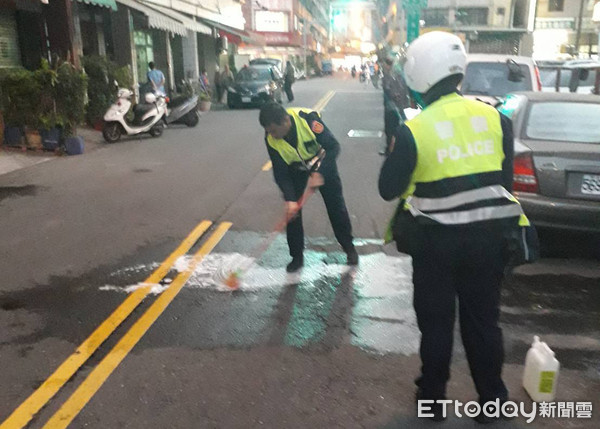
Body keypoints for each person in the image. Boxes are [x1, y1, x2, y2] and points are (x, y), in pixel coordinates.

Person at [379, 32, 534, 423]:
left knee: (436, 325)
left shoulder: (415, 129)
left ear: (419, 76)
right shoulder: (496, 118)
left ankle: (432, 398)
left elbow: (388, 188)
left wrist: (401, 146)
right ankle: (493, 400)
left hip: (436, 245)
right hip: (489, 241)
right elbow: (504, 184)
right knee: (484, 322)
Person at [259, 102, 358, 272]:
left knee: (336, 207)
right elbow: (280, 172)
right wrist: (290, 199)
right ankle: (296, 257)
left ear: (285, 121)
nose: (271, 135)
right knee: (293, 213)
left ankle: (349, 248)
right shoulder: (271, 139)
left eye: (274, 130)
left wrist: (320, 172)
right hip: (295, 169)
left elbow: (333, 146)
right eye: (268, 131)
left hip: (322, 162)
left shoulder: (308, 120)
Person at [381, 56, 410, 156]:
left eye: (386, 64)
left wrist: (395, 96)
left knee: (391, 129)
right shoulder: (396, 75)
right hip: (394, 106)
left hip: (393, 107)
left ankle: (391, 151)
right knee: (392, 129)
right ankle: (390, 149)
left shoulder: (392, 76)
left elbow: (388, 88)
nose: (384, 66)